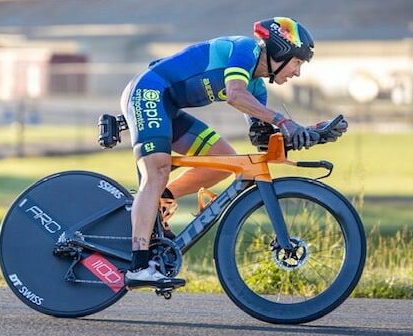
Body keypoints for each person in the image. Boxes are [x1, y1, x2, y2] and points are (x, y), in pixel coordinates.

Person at [121, 17, 348, 288]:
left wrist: (309, 135)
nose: (297, 72)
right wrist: (284, 121)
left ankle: (160, 202)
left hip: (168, 106)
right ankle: (139, 265)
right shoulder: (245, 49)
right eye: (298, 62)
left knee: (222, 161)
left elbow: (262, 141)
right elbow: (234, 94)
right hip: (149, 92)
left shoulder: (257, 88)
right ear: (282, 51)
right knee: (157, 170)